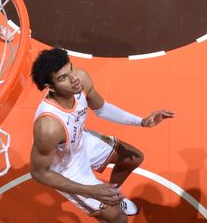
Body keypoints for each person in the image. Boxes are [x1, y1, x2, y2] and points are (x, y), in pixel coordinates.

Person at [30, 48, 175, 222]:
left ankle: (111, 195)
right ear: (50, 87)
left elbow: (102, 108)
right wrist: (91, 190)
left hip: (81, 141)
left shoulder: (80, 79)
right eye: (63, 78)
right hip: (67, 169)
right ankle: (106, 206)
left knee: (133, 158)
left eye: (71, 69)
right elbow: (39, 173)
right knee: (119, 219)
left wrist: (142, 121)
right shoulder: (48, 127)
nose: (73, 79)